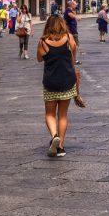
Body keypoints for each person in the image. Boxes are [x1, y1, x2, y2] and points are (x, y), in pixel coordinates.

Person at [37, 15, 78, 158]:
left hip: (50, 82)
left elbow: (39, 58)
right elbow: (73, 56)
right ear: (62, 24)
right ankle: (60, 147)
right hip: (67, 80)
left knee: (49, 114)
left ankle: (54, 135)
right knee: (62, 115)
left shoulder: (43, 41)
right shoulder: (69, 38)